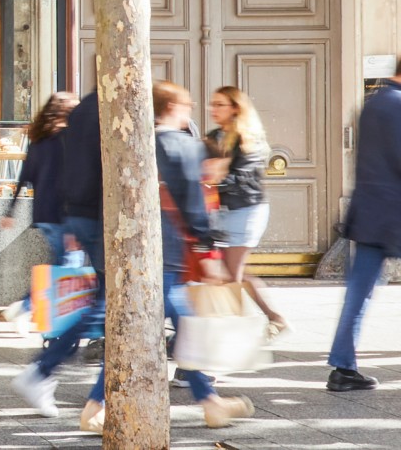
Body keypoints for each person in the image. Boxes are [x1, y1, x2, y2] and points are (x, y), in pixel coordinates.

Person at [76, 81, 254, 433]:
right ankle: (97, 406)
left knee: (137, 328)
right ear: (173, 107)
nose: (190, 111)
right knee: (177, 326)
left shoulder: (125, 143)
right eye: (187, 105)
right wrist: (207, 249)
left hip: (122, 250)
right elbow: (194, 205)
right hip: (167, 254)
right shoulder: (183, 146)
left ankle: (208, 402)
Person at [12, 88, 103, 417]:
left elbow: (28, 174)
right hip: (78, 217)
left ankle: (44, 361)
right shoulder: (78, 128)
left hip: (60, 215)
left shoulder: (48, 133)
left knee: (77, 282)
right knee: (91, 296)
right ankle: (44, 363)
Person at [326, 57, 401, 391]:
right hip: (391, 213)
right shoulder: (396, 105)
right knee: (360, 292)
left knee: (359, 293)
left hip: (370, 211)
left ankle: (342, 366)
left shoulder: (374, 103)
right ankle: (342, 366)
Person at [203, 86, 290, 338]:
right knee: (236, 272)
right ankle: (274, 317)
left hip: (246, 209)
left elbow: (241, 176)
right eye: (213, 104)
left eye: (220, 104)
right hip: (224, 210)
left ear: (235, 108)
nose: (213, 109)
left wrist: (214, 179)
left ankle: (231, 335)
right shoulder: (213, 136)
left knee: (232, 274)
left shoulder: (248, 138)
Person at [0, 91, 79, 321]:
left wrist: (10, 211)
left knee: (62, 264)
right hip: (63, 213)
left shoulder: (38, 139)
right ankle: (27, 308)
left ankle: (34, 309)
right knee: (66, 266)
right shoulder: (68, 139)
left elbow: (24, 176)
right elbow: (69, 179)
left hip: (42, 212)